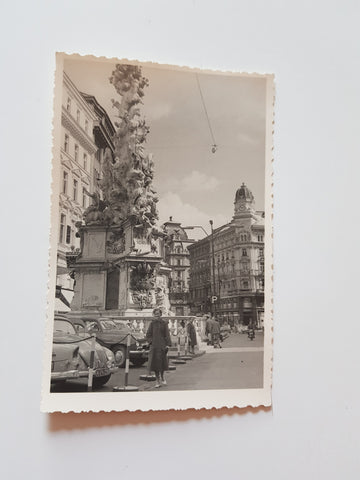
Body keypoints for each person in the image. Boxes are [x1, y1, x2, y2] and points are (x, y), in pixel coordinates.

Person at [146, 308, 172, 388]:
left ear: (160, 314)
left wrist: (168, 344)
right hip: (154, 346)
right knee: (155, 364)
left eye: (158, 314)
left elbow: (167, 334)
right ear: (154, 315)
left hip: (162, 346)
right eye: (155, 314)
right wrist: (151, 342)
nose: (157, 315)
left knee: (162, 363)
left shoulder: (164, 323)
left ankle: (163, 377)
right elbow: (148, 334)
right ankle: (157, 380)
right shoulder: (152, 324)